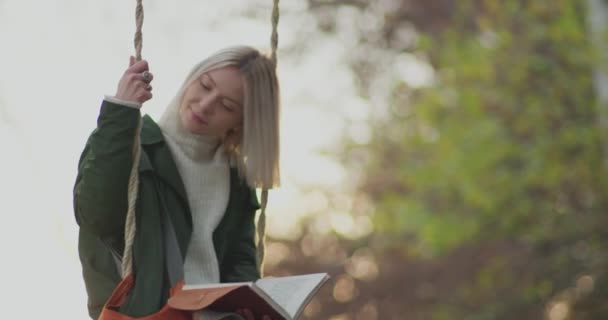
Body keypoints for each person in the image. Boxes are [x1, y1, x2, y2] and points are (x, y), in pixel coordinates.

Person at [73, 46, 280, 320]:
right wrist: (121, 110)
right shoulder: (132, 147)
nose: (206, 105)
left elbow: (240, 265)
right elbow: (94, 215)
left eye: (227, 106)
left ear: (241, 122)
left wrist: (251, 310)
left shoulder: (236, 179)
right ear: (192, 77)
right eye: (205, 86)